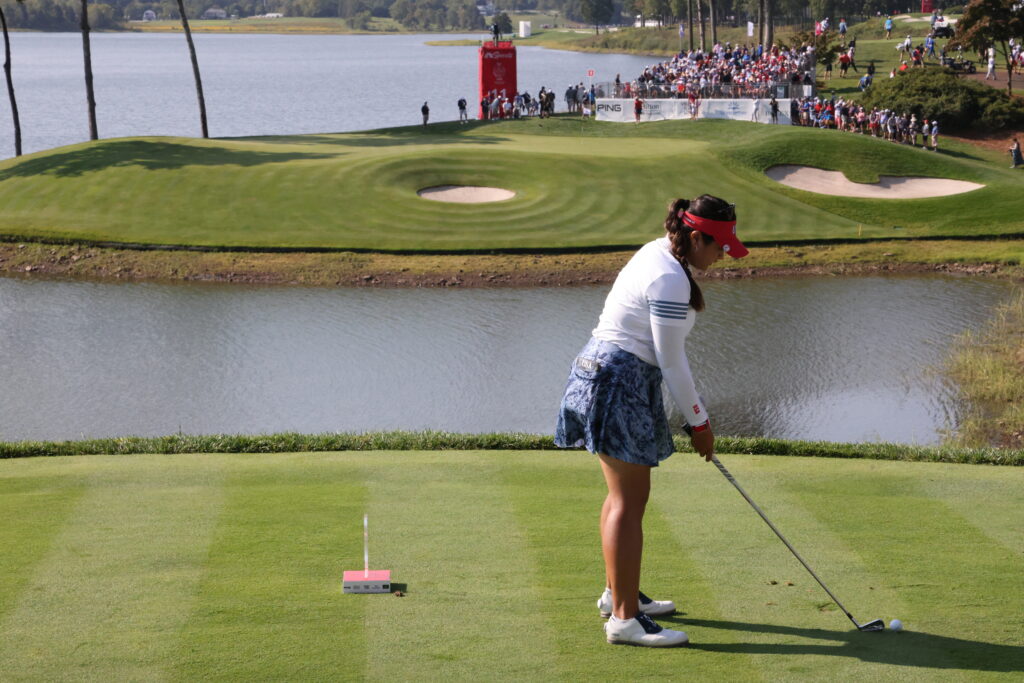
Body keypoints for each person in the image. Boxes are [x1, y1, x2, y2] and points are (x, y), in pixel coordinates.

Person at [555, 195, 749, 648]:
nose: (723, 255)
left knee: (621, 496)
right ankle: (624, 619)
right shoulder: (668, 278)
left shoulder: (658, 252)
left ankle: (617, 595)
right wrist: (699, 423)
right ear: (696, 237)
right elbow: (671, 360)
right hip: (617, 381)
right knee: (630, 500)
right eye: (719, 245)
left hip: (602, 373)